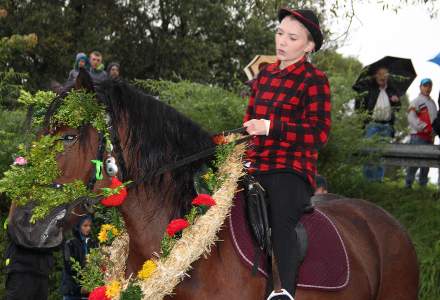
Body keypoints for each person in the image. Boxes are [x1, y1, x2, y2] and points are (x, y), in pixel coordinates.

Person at [243, 8, 331, 300]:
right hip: (255, 164)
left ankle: (283, 292)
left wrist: (271, 127)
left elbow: (319, 134)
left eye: (292, 37)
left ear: (309, 46)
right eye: (280, 32)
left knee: (280, 221)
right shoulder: (263, 76)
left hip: (290, 168)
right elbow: (249, 124)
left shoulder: (315, 80)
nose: (282, 41)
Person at [355, 67, 400, 181]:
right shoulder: (369, 88)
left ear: (388, 77)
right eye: (380, 74)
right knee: (369, 152)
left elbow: (398, 109)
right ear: (375, 76)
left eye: (385, 75)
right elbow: (358, 106)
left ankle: (378, 180)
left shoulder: (392, 90)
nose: (382, 77)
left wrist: (396, 101)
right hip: (372, 125)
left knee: (381, 154)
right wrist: (363, 121)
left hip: (386, 126)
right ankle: (368, 181)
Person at [5, 203, 54, 300]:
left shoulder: (50, 210)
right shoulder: (21, 209)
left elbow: (56, 242)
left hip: (42, 272)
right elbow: (12, 229)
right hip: (21, 270)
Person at [405, 78, 436, 188]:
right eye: (425, 85)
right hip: (418, 136)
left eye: (429, 86)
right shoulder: (415, 101)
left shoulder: (433, 103)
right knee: (414, 162)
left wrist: (434, 131)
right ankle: (408, 185)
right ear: (420, 87)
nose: (427, 88)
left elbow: (435, 121)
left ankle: (423, 187)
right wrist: (423, 127)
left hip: (430, 137)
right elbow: (411, 118)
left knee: (426, 164)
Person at [61, 215, 97, 300]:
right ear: (78, 226)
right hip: (73, 291)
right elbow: (69, 266)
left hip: (88, 290)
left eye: (90, 226)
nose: (88, 228)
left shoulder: (93, 243)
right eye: (85, 226)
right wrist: (80, 287)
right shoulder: (70, 243)